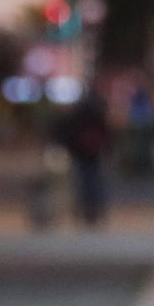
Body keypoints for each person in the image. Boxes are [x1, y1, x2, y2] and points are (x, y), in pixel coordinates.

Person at [56, 92, 113, 226]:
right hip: (94, 156)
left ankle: (86, 212)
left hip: (81, 156)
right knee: (94, 185)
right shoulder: (97, 117)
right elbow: (107, 135)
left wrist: (70, 150)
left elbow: (68, 135)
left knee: (83, 185)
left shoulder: (77, 118)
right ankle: (95, 211)